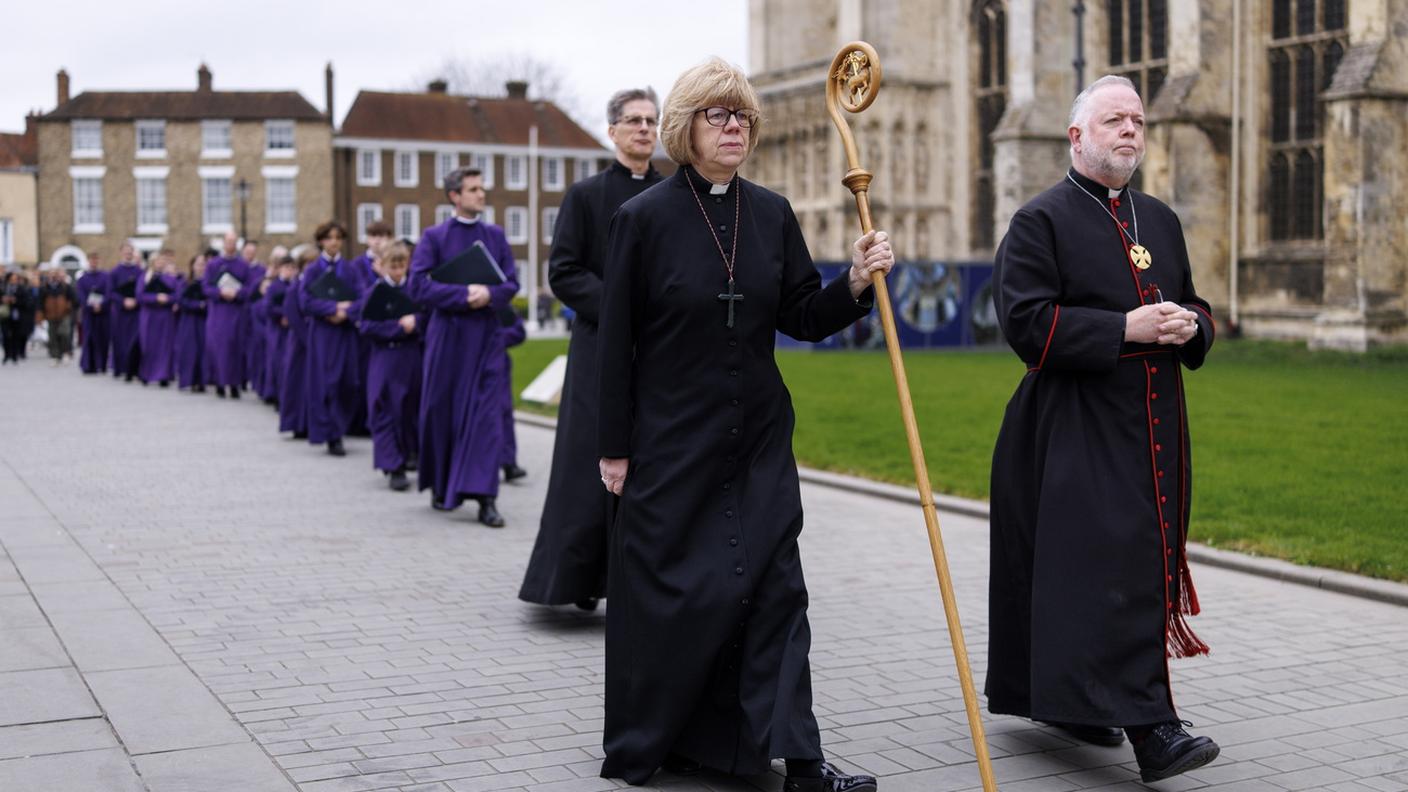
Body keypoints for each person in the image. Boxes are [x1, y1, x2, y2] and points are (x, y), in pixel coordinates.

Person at [594, 58, 892, 791]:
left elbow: (802, 315)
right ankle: (678, 738)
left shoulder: (771, 212)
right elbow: (615, 343)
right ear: (685, 126)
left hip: (757, 440)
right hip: (673, 443)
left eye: (745, 118)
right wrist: (613, 447)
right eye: (718, 115)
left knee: (777, 591)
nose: (736, 128)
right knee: (685, 599)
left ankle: (803, 761)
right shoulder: (643, 219)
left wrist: (855, 282)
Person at [985, 75, 1219, 784]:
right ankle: (1154, 730)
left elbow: (1198, 303)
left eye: (1138, 122)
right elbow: (1025, 324)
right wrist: (1124, 328)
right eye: (1115, 120)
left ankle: (1078, 703)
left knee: (1122, 565)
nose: (1130, 132)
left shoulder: (1160, 219)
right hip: (1072, 429)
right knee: (1108, 570)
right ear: (1076, 136)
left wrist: (1192, 325)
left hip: (1153, 425)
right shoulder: (1039, 221)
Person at [519, 86, 664, 612]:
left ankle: (642, 584)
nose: (644, 128)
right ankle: (579, 580)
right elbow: (563, 271)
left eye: (651, 120)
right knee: (588, 465)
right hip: (598, 346)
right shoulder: (584, 196)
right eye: (634, 120)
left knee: (651, 463)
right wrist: (619, 306)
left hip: (656, 350)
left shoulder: (672, 194)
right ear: (613, 131)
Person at [409, 166, 519, 526]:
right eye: (473, 189)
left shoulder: (495, 236)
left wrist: (489, 294)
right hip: (448, 336)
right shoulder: (434, 237)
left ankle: (486, 498)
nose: (481, 194)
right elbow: (418, 286)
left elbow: (510, 283)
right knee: (442, 410)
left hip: (486, 337)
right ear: (454, 196)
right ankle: (441, 485)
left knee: (487, 417)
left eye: (481, 188)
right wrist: (463, 295)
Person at [357, 241, 423, 491]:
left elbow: (427, 317)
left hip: (411, 357)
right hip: (384, 357)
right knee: (384, 409)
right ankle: (393, 465)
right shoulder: (375, 292)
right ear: (382, 266)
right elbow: (366, 326)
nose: (397, 271)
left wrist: (416, 322)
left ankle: (407, 455)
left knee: (408, 410)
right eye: (392, 266)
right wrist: (397, 328)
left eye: (401, 266)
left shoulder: (414, 289)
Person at [302, 221, 367, 456]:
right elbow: (305, 301)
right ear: (321, 241)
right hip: (323, 333)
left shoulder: (350, 269)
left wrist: (346, 313)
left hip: (345, 332)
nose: (334, 242)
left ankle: (341, 425)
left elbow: (363, 297)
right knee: (326, 382)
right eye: (329, 238)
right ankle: (331, 434)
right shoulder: (313, 270)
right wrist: (333, 309)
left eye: (338, 238)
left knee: (347, 381)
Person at [205, 232, 254, 398]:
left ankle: (234, 384)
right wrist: (220, 292)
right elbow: (206, 287)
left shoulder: (243, 265)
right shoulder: (213, 264)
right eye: (228, 241)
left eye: (234, 242)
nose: (231, 245)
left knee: (235, 348)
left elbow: (249, 288)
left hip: (237, 312)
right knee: (219, 348)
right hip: (218, 312)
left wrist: (237, 293)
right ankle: (219, 382)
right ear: (223, 243)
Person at [279, 246, 318, 439]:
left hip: (317, 341)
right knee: (297, 383)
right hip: (300, 343)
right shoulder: (295, 287)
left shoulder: (318, 286)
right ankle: (297, 423)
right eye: (307, 264)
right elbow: (293, 316)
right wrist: (308, 340)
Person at [136, 250, 178, 386]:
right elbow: (140, 296)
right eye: (158, 260)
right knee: (148, 345)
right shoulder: (145, 277)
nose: (160, 263)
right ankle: (146, 374)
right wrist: (155, 297)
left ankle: (163, 375)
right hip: (149, 316)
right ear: (153, 262)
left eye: (162, 260)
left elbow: (177, 295)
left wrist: (167, 298)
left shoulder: (170, 278)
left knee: (164, 346)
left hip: (165, 316)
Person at [106, 243, 143, 381]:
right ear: (121, 252)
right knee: (119, 341)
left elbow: (143, 288)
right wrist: (123, 301)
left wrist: (135, 300)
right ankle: (119, 368)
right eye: (126, 251)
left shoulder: (139, 271)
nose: (128, 254)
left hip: (135, 312)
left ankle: (133, 369)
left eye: (130, 251)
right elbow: (110, 292)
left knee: (134, 340)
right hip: (120, 312)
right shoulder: (114, 272)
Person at [498, 310, 527, 483]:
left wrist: (492, 338)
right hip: (466, 363)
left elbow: (518, 331)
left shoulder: (501, 305)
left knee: (504, 412)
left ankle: (508, 462)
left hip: (496, 361)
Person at [176, 254, 210, 393]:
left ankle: (202, 381)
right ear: (192, 266)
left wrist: (204, 305)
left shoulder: (209, 282)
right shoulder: (185, 282)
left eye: (203, 264)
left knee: (203, 350)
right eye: (198, 264)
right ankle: (189, 380)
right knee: (189, 350)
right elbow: (181, 300)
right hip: (189, 320)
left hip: (204, 321)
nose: (201, 267)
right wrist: (197, 305)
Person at [76, 253, 110, 374]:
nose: (94, 262)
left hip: (103, 313)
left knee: (103, 339)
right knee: (89, 339)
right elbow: (81, 296)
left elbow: (108, 293)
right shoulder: (82, 279)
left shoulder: (106, 277)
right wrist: (91, 306)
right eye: (91, 260)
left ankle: (102, 364)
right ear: (88, 261)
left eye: (96, 260)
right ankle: (89, 365)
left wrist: (101, 304)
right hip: (89, 314)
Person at [40, 268, 78, 365]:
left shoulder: (66, 287)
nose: (53, 277)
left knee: (64, 333)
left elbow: (75, 300)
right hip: (50, 315)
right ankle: (56, 356)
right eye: (51, 275)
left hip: (64, 314)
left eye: (55, 275)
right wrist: (41, 315)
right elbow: (40, 303)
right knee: (53, 336)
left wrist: (69, 307)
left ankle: (66, 352)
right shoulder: (45, 288)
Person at [1, 271, 34, 364]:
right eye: (12, 279)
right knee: (5, 335)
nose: (13, 281)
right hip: (5, 314)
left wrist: (16, 301)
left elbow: (27, 302)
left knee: (16, 336)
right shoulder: (3, 288)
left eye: (15, 279)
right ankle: (7, 354)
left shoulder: (21, 288)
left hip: (17, 315)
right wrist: (3, 300)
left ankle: (15, 355)